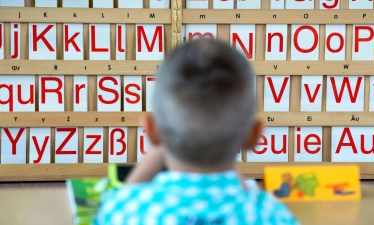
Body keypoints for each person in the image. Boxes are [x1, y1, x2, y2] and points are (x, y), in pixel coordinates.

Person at [93, 39, 299, 225]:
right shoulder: (272, 215)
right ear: (255, 135)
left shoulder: (125, 212)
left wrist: (158, 144)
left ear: (151, 130)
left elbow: (116, 205)